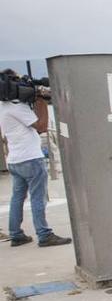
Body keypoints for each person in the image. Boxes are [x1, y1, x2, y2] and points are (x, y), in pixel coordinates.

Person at [1, 88, 71, 247]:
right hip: (30, 158)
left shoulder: (3, 106)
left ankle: (16, 234)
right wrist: (42, 101)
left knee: (17, 198)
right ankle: (44, 234)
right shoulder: (17, 108)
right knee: (38, 197)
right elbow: (42, 126)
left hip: (14, 159)